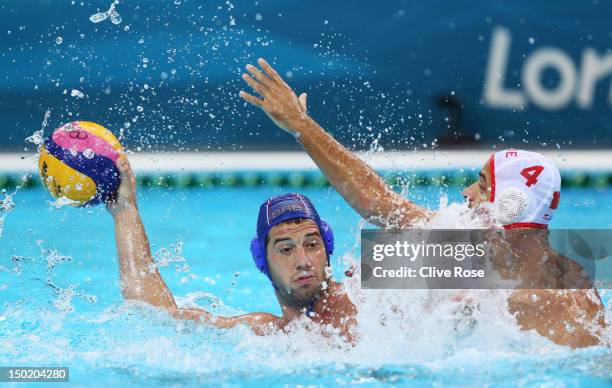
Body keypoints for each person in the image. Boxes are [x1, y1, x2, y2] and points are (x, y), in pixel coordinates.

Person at [239, 58, 607, 348]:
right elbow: (378, 202)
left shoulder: (558, 301)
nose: (466, 194)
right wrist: (301, 126)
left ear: (508, 206)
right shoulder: (478, 250)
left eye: (481, 185)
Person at [107, 156, 356, 340]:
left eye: (312, 244)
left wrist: (301, 126)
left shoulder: (365, 295)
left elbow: (394, 217)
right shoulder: (266, 333)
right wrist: (125, 211)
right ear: (262, 261)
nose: (303, 260)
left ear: (328, 245)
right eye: (286, 249)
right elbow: (156, 314)